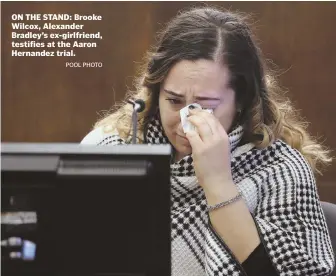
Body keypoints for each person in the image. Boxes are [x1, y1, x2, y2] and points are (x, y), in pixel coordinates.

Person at [81, 6, 335, 276]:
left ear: (241, 101)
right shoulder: (111, 146)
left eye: (206, 106)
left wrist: (218, 183)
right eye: (174, 100)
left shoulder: (282, 169)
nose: (185, 122)